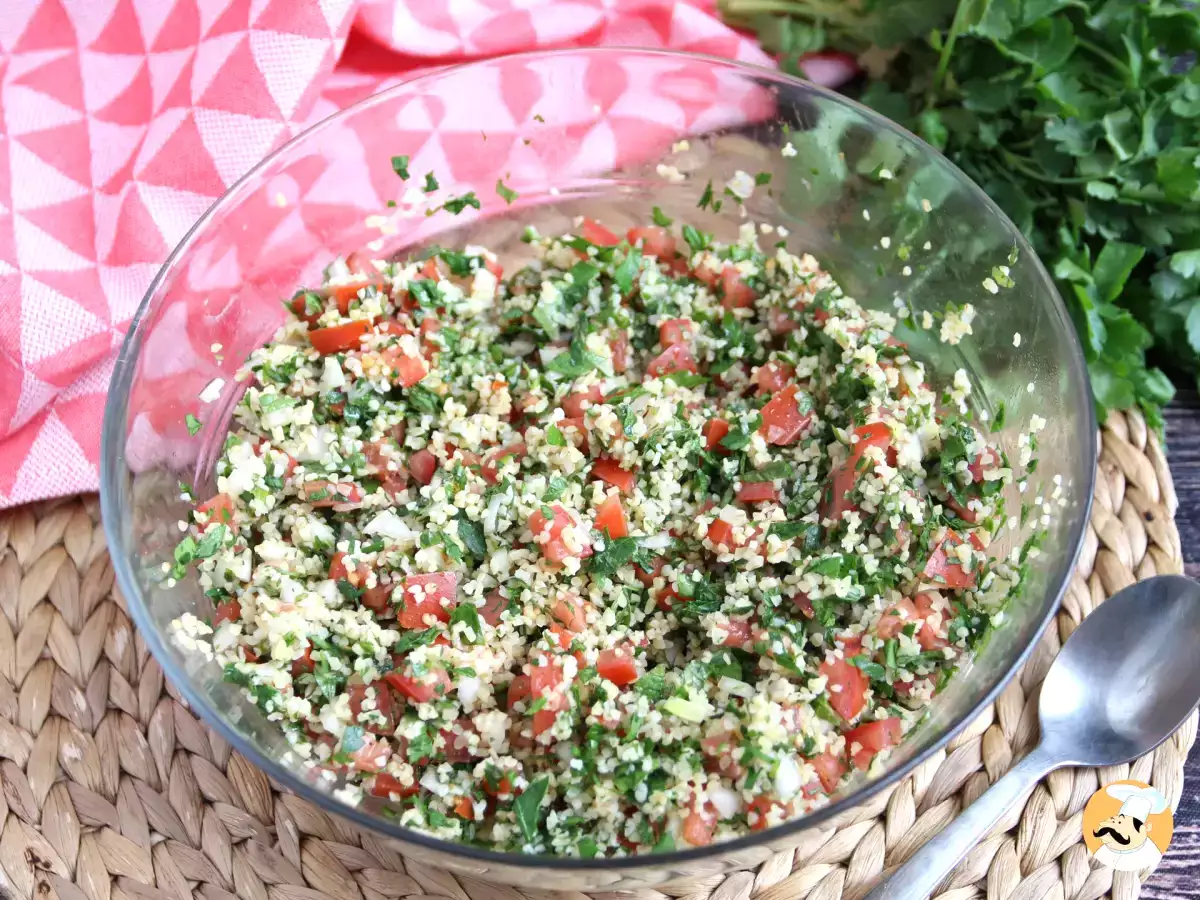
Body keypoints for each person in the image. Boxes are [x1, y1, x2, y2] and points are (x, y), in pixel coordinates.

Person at [1090, 784, 1168, 871]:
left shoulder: (1149, 853)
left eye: (1120, 822)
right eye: (1114, 821)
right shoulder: (1106, 848)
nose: (1114, 829)